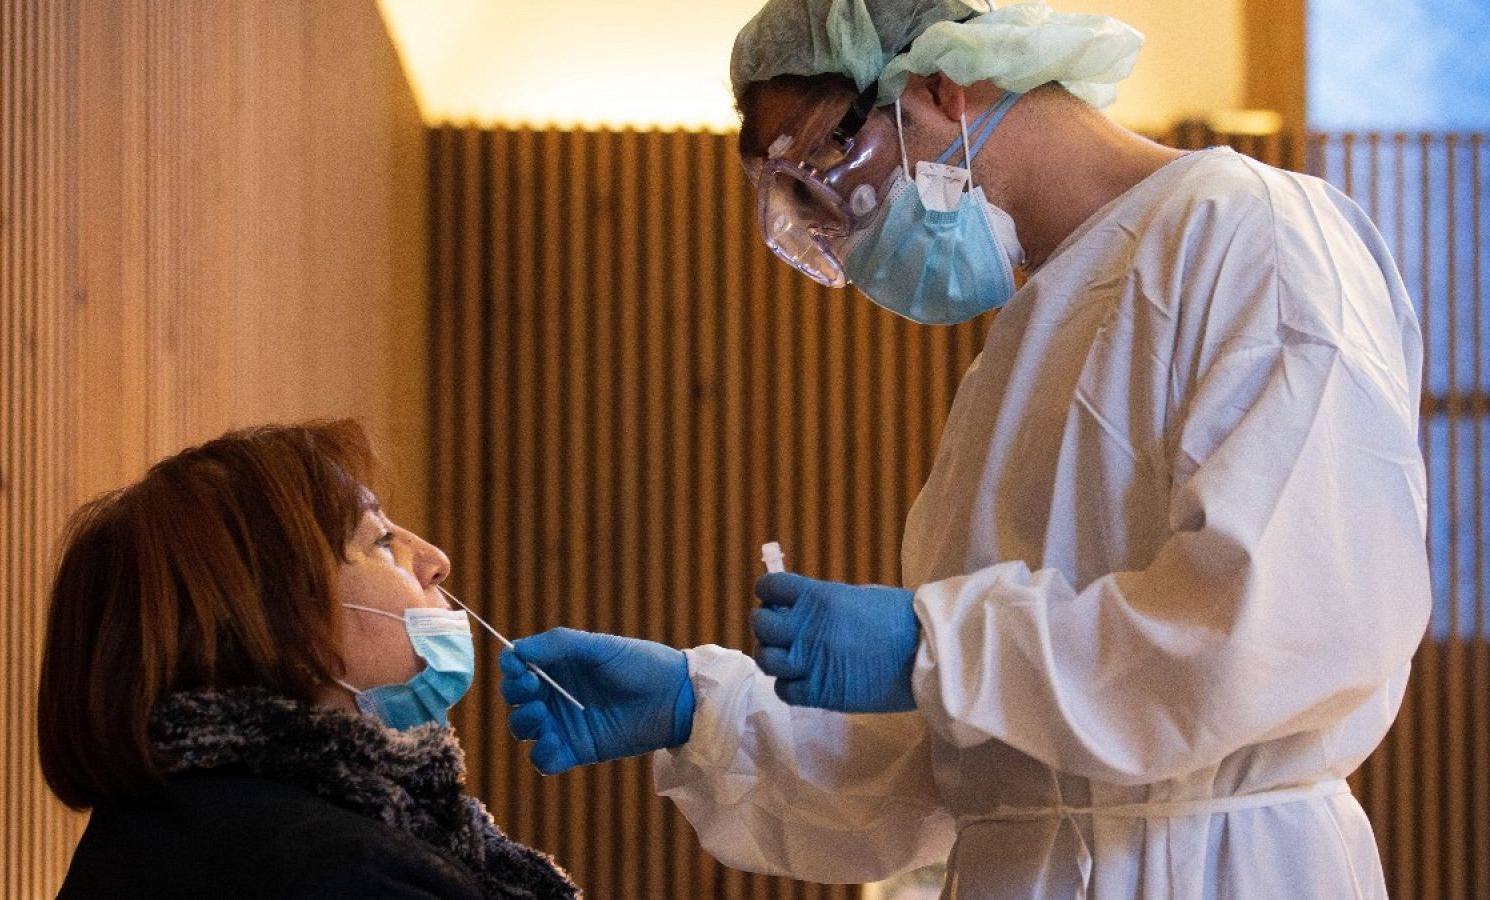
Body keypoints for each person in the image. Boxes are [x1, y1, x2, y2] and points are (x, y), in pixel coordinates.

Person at [498, 0, 1431, 896]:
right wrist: (705, 711)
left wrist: (934, 646)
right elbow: (964, 762)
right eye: (794, 201)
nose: (834, 223)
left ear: (945, 83)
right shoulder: (1026, 352)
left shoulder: (1251, 236)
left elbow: (1276, 626)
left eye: (829, 155)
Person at [39, 421, 578, 900]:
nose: (436, 562)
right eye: (382, 541)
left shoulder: (159, 832)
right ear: (279, 618)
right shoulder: (350, 873)